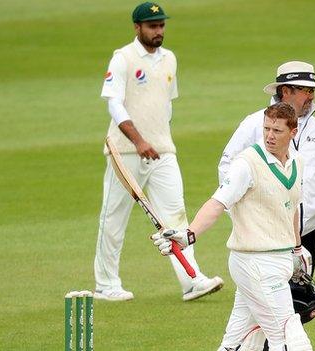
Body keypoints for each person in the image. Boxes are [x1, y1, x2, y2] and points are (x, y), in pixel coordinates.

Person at [152, 103, 313, 350]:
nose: (270, 136)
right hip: (254, 263)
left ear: (293, 132)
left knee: (239, 342)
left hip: (278, 260)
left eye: (277, 131)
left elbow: (291, 207)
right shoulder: (247, 164)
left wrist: (297, 249)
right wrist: (189, 234)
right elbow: (217, 203)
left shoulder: (297, 162)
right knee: (290, 339)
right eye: (266, 128)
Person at [93, 2, 223, 301]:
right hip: (125, 151)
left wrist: (158, 139)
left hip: (163, 150)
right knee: (114, 217)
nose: (158, 31)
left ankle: (191, 279)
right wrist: (139, 140)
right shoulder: (122, 58)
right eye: (152, 26)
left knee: (176, 215)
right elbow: (114, 103)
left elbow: (166, 105)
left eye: (161, 25)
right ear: (137, 27)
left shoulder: (169, 59)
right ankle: (106, 284)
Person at [218, 61, 315, 276]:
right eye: (306, 90)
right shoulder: (254, 124)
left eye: (313, 91)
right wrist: (244, 216)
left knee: (303, 302)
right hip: (267, 235)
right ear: (286, 91)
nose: (311, 96)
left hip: (310, 231)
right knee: (269, 300)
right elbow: (227, 167)